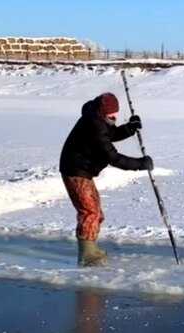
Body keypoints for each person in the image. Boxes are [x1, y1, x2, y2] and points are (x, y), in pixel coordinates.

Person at [60, 92, 153, 267]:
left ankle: (91, 247)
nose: (114, 118)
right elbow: (113, 157)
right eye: (111, 116)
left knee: (96, 213)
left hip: (83, 170)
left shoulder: (97, 120)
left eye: (115, 115)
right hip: (75, 170)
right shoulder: (93, 125)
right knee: (90, 212)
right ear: (102, 113)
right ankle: (87, 254)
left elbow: (109, 133)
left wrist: (130, 128)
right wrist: (140, 164)